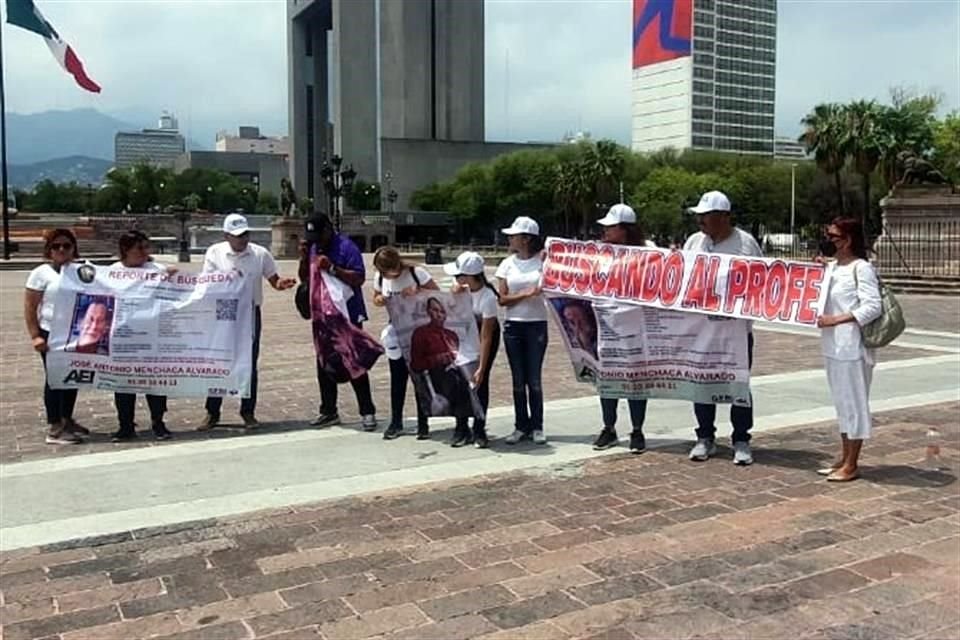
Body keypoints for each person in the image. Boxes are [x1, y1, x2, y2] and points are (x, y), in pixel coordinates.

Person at [683, 190, 763, 465]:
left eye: (706, 216)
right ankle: (705, 437)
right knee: (701, 383)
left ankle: (741, 439)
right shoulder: (694, 242)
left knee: (738, 385)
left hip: (735, 332)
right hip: (701, 330)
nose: (701, 222)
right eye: (699, 216)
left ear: (724, 217)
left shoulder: (746, 244)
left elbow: (760, 282)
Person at [199, 213, 297, 430]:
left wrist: (282, 283)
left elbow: (273, 279)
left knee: (249, 363)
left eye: (245, 234)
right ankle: (212, 411)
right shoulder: (215, 253)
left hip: (250, 312)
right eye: (236, 236)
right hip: (223, 313)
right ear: (226, 236)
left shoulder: (260, 254)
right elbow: (207, 283)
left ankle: (247, 410)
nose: (242, 239)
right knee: (218, 361)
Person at [816, 217, 882, 482]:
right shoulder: (835, 267)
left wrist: (838, 319)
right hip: (833, 346)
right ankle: (844, 456)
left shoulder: (862, 268)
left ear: (848, 240)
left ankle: (853, 463)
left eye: (834, 237)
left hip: (852, 346)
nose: (829, 241)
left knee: (854, 403)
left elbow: (872, 306)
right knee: (842, 403)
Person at [300, 214, 377, 429]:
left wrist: (333, 268)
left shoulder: (346, 247)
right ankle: (328, 410)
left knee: (353, 360)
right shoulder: (314, 247)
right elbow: (304, 278)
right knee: (323, 363)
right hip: (322, 315)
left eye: (318, 235)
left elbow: (359, 278)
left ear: (328, 229)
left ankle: (367, 410)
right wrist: (304, 257)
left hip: (347, 314)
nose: (316, 240)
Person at [592, 204, 657, 453]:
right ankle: (609, 427)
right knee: (608, 377)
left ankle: (637, 430)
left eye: (610, 226)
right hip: (607, 325)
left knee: (635, 379)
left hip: (636, 326)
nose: (605, 231)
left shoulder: (649, 252)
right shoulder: (600, 253)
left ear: (624, 229)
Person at [24, 229, 86, 445]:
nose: (61, 250)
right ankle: (55, 427)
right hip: (50, 332)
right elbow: (31, 307)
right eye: (56, 246)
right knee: (55, 379)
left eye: (66, 246)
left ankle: (67, 418)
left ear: (73, 249)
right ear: (48, 249)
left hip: (76, 332)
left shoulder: (82, 270)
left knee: (72, 378)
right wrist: (35, 336)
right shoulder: (41, 273)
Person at [110, 231, 172, 441]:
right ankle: (125, 424)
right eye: (140, 248)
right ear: (126, 250)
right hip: (123, 338)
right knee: (123, 382)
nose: (146, 252)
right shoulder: (112, 272)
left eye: (147, 247)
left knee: (155, 382)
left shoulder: (158, 269)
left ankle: (158, 421)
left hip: (152, 336)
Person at [372, 246, 438, 440]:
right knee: (397, 378)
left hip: (419, 329)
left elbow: (438, 295)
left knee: (420, 378)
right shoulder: (381, 277)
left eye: (389, 271)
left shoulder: (416, 273)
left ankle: (423, 422)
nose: (388, 276)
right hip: (396, 329)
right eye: (383, 273)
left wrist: (418, 291)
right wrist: (381, 300)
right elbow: (374, 297)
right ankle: (396, 421)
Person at [496, 216, 548, 445]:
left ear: (526, 239)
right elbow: (503, 299)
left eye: (514, 236)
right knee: (518, 379)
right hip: (513, 325)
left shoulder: (543, 262)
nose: (510, 239)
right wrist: (526, 294)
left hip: (536, 323)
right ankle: (520, 425)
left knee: (534, 379)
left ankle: (537, 425)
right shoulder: (507, 264)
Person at [445, 251, 501, 448]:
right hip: (463, 338)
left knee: (478, 383)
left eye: (460, 275)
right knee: (458, 381)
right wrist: (455, 290)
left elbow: (487, 336)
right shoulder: (462, 290)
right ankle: (461, 427)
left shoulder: (488, 297)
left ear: (470, 276)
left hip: (483, 339)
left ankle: (479, 428)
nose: (457, 279)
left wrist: (482, 368)